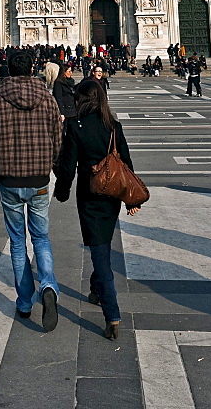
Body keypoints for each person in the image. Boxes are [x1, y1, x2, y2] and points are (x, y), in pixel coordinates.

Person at [0, 50, 62, 332]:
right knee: (41, 237)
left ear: (7, 69)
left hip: (9, 181)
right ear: (32, 69)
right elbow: (57, 138)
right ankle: (49, 285)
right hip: (39, 179)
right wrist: (49, 164)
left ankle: (25, 302)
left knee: (18, 243)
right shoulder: (48, 99)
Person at [54, 79, 140, 339]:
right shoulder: (113, 126)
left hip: (90, 196)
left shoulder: (76, 126)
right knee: (100, 243)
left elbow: (68, 166)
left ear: (83, 100)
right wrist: (131, 199)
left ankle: (112, 314)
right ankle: (95, 288)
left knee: (100, 252)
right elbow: (125, 163)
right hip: (112, 195)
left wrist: (62, 190)